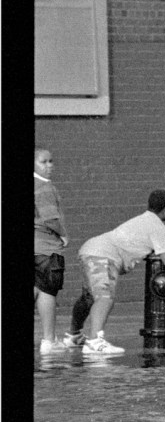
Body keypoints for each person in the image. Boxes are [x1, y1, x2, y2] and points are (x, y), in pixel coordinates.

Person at [65, 189, 165, 355]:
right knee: (104, 297)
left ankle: (74, 336)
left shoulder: (146, 220)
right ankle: (95, 342)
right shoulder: (157, 227)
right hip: (103, 255)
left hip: (92, 249)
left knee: (89, 297)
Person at [35, 147, 69, 354]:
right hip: (46, 248)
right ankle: (49, 340)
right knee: (48, 290)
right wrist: (63, 234)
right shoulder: (45, 188)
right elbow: (50, 219)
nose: (49, 166)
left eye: (51, 161)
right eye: (43, 162)